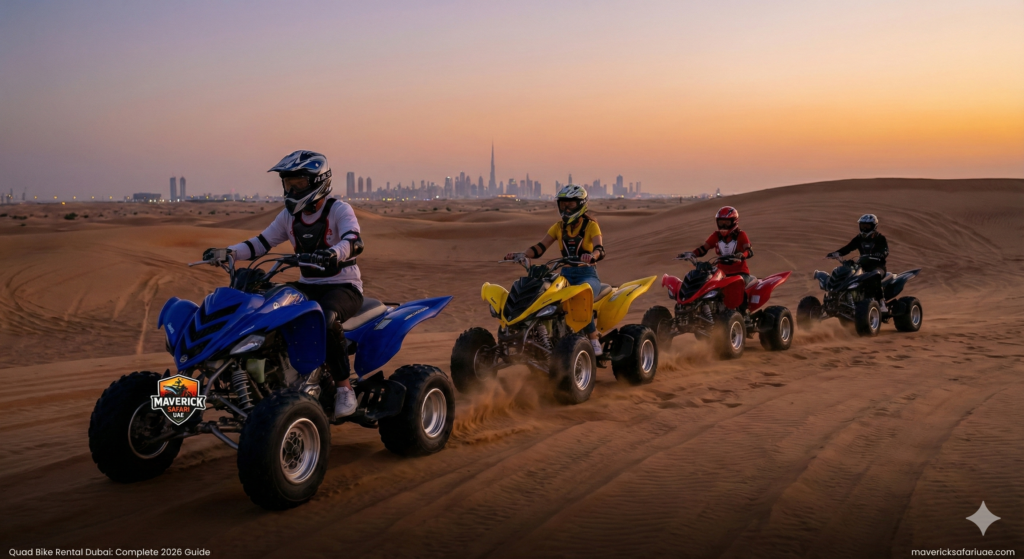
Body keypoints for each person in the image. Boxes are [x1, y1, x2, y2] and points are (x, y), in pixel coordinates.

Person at [202, 150, 364, 419]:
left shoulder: (339, 209)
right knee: (264, 306)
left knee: (325, 317)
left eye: (298, 184)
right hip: (307, 285)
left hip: (343, 286)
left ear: (318, 182)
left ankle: (344, 388)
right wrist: (228, 252)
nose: (291, 191)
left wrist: (334, 253)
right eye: (288, 184)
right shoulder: (289, 216)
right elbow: (261, 243)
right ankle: (275, 375)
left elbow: (353, 240)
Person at [504, 184, 606, 355]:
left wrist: (592, 256)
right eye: (563, 204)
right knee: (544, 298)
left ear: (581, 204)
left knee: (582, 296)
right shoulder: (558, 227)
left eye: (571, 204)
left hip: (587, 275)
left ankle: (594, 339)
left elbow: (600, 249)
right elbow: (540, 248)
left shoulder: (591, 226)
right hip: (565, 276)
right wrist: (522, 254)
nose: (566, 208)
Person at [679, 206, 754, 310]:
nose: (723, 225)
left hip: (740, 272)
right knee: (707, 286)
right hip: (721, 273)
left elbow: (749, 251)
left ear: (734, 222)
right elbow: (703, 249)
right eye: (721, 222)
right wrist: (692, 254)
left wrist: (742, 255)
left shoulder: (741, 235)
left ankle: (743, 313)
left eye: (727, 222)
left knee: (738, 286)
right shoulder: (716, 235)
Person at [827, 213, 889, 309]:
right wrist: (836, 253)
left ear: (874, 226)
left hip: (878, 266)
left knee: (875, 275)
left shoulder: (880, 238)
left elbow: (885, 250)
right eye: (862, 226)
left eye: (867, 226)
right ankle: (843, 299)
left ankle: (881, 302)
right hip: (862, 267)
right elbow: (848, 248)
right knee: (848, 274)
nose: (864, 228)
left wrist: (881, 253)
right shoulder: (859, 238)